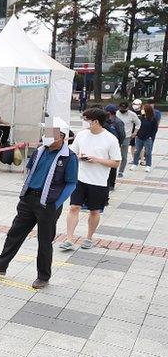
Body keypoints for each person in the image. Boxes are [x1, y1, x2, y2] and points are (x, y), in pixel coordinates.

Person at [0, 118, 78, 288]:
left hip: (49, 203)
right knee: (15, 233)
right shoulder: (40, 151)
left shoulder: (69, 157)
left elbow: (71, 184)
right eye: (45, 133)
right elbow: (30, 170)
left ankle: (43, 276)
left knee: (45, 241)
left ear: (61, 136)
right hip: (29, 199)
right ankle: (0, 265)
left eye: (50, 133)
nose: (45, 137)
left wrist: (56, 204)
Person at [58, 107, 121, 251]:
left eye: (86, 120)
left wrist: (97, 160)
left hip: (98, 181)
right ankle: (69, 239)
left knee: (94, 211)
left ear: (95, 122)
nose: (84, 122)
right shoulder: (82, 135)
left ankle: (89, 237)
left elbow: (116, 162)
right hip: (79, 178)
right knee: (74, 207)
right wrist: (78, 157)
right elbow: (72, 152)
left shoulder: (110, 139)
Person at [131, 103, 160, 172]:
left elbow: (154, 129)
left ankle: (148, 165)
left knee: (148, 152)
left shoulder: (153, 119)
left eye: (143, 109)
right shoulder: (140, 118)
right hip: (139, 137)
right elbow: (137, 126)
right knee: (137, 151)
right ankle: (135, 164)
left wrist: (151, 137)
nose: (142, 110)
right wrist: (136, 134)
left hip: (148, 138)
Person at [103, 104, 125, 191]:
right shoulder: (105, 121)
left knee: (113, 166)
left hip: (114, 146)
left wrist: (118, 145)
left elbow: (122, 135)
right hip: (105, 146)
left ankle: (112, 184)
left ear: (109, 113)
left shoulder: (118, 122)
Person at [116, 101, 140, 177]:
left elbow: (138, 123)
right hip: (116, 137)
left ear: (127, 108)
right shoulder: (117, 113)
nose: (122, 109)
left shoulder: (132, 114)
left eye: (124, 108)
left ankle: (121, 171)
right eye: (121, 108)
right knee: (114, 154)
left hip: (126, 137)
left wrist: (135, 132)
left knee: (124, 155)